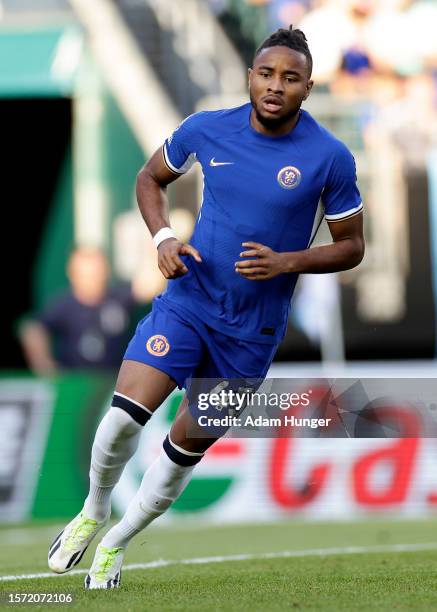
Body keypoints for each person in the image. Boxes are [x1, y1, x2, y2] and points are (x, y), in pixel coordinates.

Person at [47, 25, 364, 589]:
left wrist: (286, 262)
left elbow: (352, 246)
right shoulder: (206, 129)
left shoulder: (329, 157)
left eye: (290, 78)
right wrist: (163, 239)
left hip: (251, 334)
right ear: (250, 77)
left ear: (308, 89)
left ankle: (117, 543)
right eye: (266, 74)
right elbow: (150, 179)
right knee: (122, 419)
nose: (275, 86)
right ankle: (94, 510)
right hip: (189, 302)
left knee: (181, 450)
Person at [20, 246, 162, 374]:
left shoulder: (118, 297)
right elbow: (32, 329)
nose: (93, 278)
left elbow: (149, 285)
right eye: (86, 274)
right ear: (73, 274)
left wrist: (160, 243)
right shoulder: (63, 306)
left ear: (106, 271)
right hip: (75, 383)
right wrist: (45, 366)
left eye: (97, 271)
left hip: (113, 381)